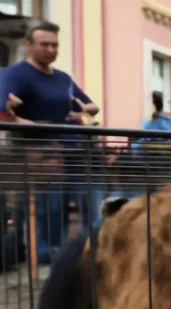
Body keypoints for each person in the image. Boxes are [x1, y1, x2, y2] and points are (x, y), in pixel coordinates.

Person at [0, 20, 100, 264]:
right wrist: (22, 120)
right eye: (45, 44)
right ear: (28, 45)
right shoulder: (14, 74)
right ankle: (48, 259)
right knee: (50, 209)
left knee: (89, 203)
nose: (51, 50)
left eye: (55, 45)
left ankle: (91, 254)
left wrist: (84, 111)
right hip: (42, 154)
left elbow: (90, 106)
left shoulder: (63, 78)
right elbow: (3, 108)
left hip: (76, 149)